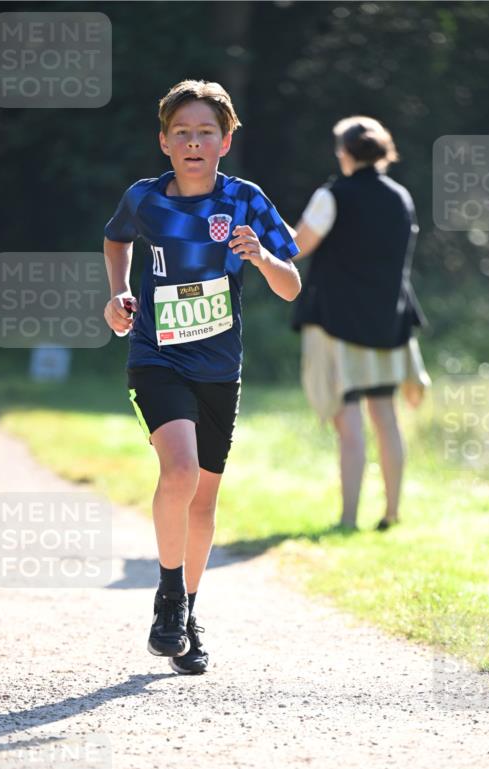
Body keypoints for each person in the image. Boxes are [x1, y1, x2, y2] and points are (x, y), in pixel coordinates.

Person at [103, 79, 300, 674]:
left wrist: (261, 259)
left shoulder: (245, 201)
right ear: (164, 142)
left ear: (226, 140)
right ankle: (167, 599)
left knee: (204, 499)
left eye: (205, 132)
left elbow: (291, 286)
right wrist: (118, 293)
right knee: (180, 469)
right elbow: (115, 241)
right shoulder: (145, 199)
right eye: (182, 132)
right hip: (157, 358)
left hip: (220, 365)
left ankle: (189, 611)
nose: (193, 142)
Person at [291, 116, 430, 531]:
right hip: (389, 321)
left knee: (348, 419)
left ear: (345, 153)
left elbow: (296, 247)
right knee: (385, 417)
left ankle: (348, 519)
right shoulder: (401, 197)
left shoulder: (331, 195)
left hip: (337, 322)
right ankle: (391, 513)